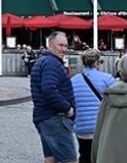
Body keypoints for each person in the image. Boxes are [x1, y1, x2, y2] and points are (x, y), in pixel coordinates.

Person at [30, 31, 77, 163]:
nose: (64, 49)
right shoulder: (52, 63)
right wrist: (68, 108)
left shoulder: (43, 61)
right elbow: (49, 90)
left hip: (45, 118)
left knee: (50, 159)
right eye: (60, 45)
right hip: (55, 118)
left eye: (66, 46)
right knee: (70, 160)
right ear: (50, 45)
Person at [70, 49, 116, 163]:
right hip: (101, 128)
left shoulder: (74, 81)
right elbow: (118, 99)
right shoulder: (107, 79)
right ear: (96, 63)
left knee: (84, 156)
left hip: (81, 128)